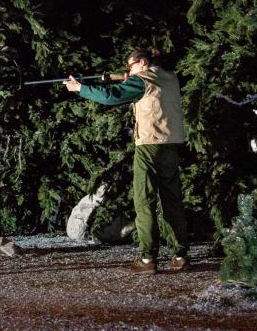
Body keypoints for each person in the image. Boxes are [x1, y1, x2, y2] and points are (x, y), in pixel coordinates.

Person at [64, 47, 189, 275]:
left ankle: (147, 258)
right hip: (172, 144)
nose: (129, 71)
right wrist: (128, 79)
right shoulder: (170, 78)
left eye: (130, 66)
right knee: (172, 200)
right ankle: (180, 255)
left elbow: (111, 96)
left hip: (149, 145)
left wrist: (80, 88)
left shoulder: (142, 80)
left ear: (142, 62)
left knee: (144, 200)